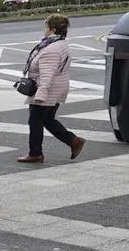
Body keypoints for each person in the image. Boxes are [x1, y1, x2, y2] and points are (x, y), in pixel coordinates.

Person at [16, 13, 85, 164]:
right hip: (56, 88)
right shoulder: (61, 44)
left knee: (35, 121)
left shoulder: (51, 49)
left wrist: (41, 94)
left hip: (47, 90)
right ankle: (73, 141)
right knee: (47, 120)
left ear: (52, 30)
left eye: (46, 27)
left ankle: (35, 153)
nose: (44, 30)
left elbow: (47, 74)